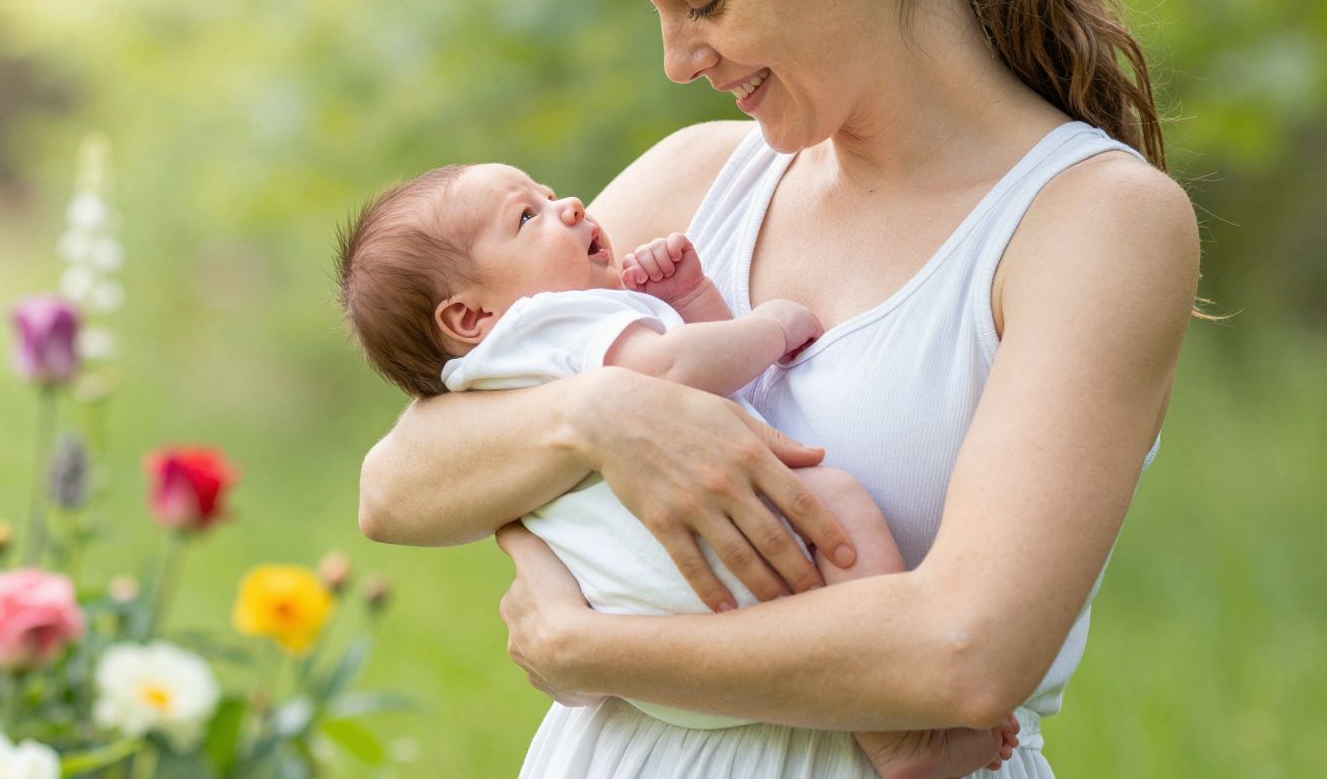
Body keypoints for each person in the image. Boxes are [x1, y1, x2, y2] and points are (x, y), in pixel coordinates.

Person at [356, 0, 1199, 778]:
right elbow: (397, 479)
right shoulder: (697, 179)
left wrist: (595, 649)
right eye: (653, 8)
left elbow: (965, 652)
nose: (675, 57)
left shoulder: (1090, 225)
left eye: (700, 0)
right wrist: (604, 412)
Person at [333, 161, 1021, 776]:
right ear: (468, 314)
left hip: (643, 656)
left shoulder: (494, 374)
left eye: (546, 192)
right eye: (527, 216)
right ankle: (899, 736)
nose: (567, 205)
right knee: (835, 502)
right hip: (717, 587)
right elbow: (676, 368)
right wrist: (774, 328)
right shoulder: (554, 323)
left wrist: (689, 301)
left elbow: (697, 382)